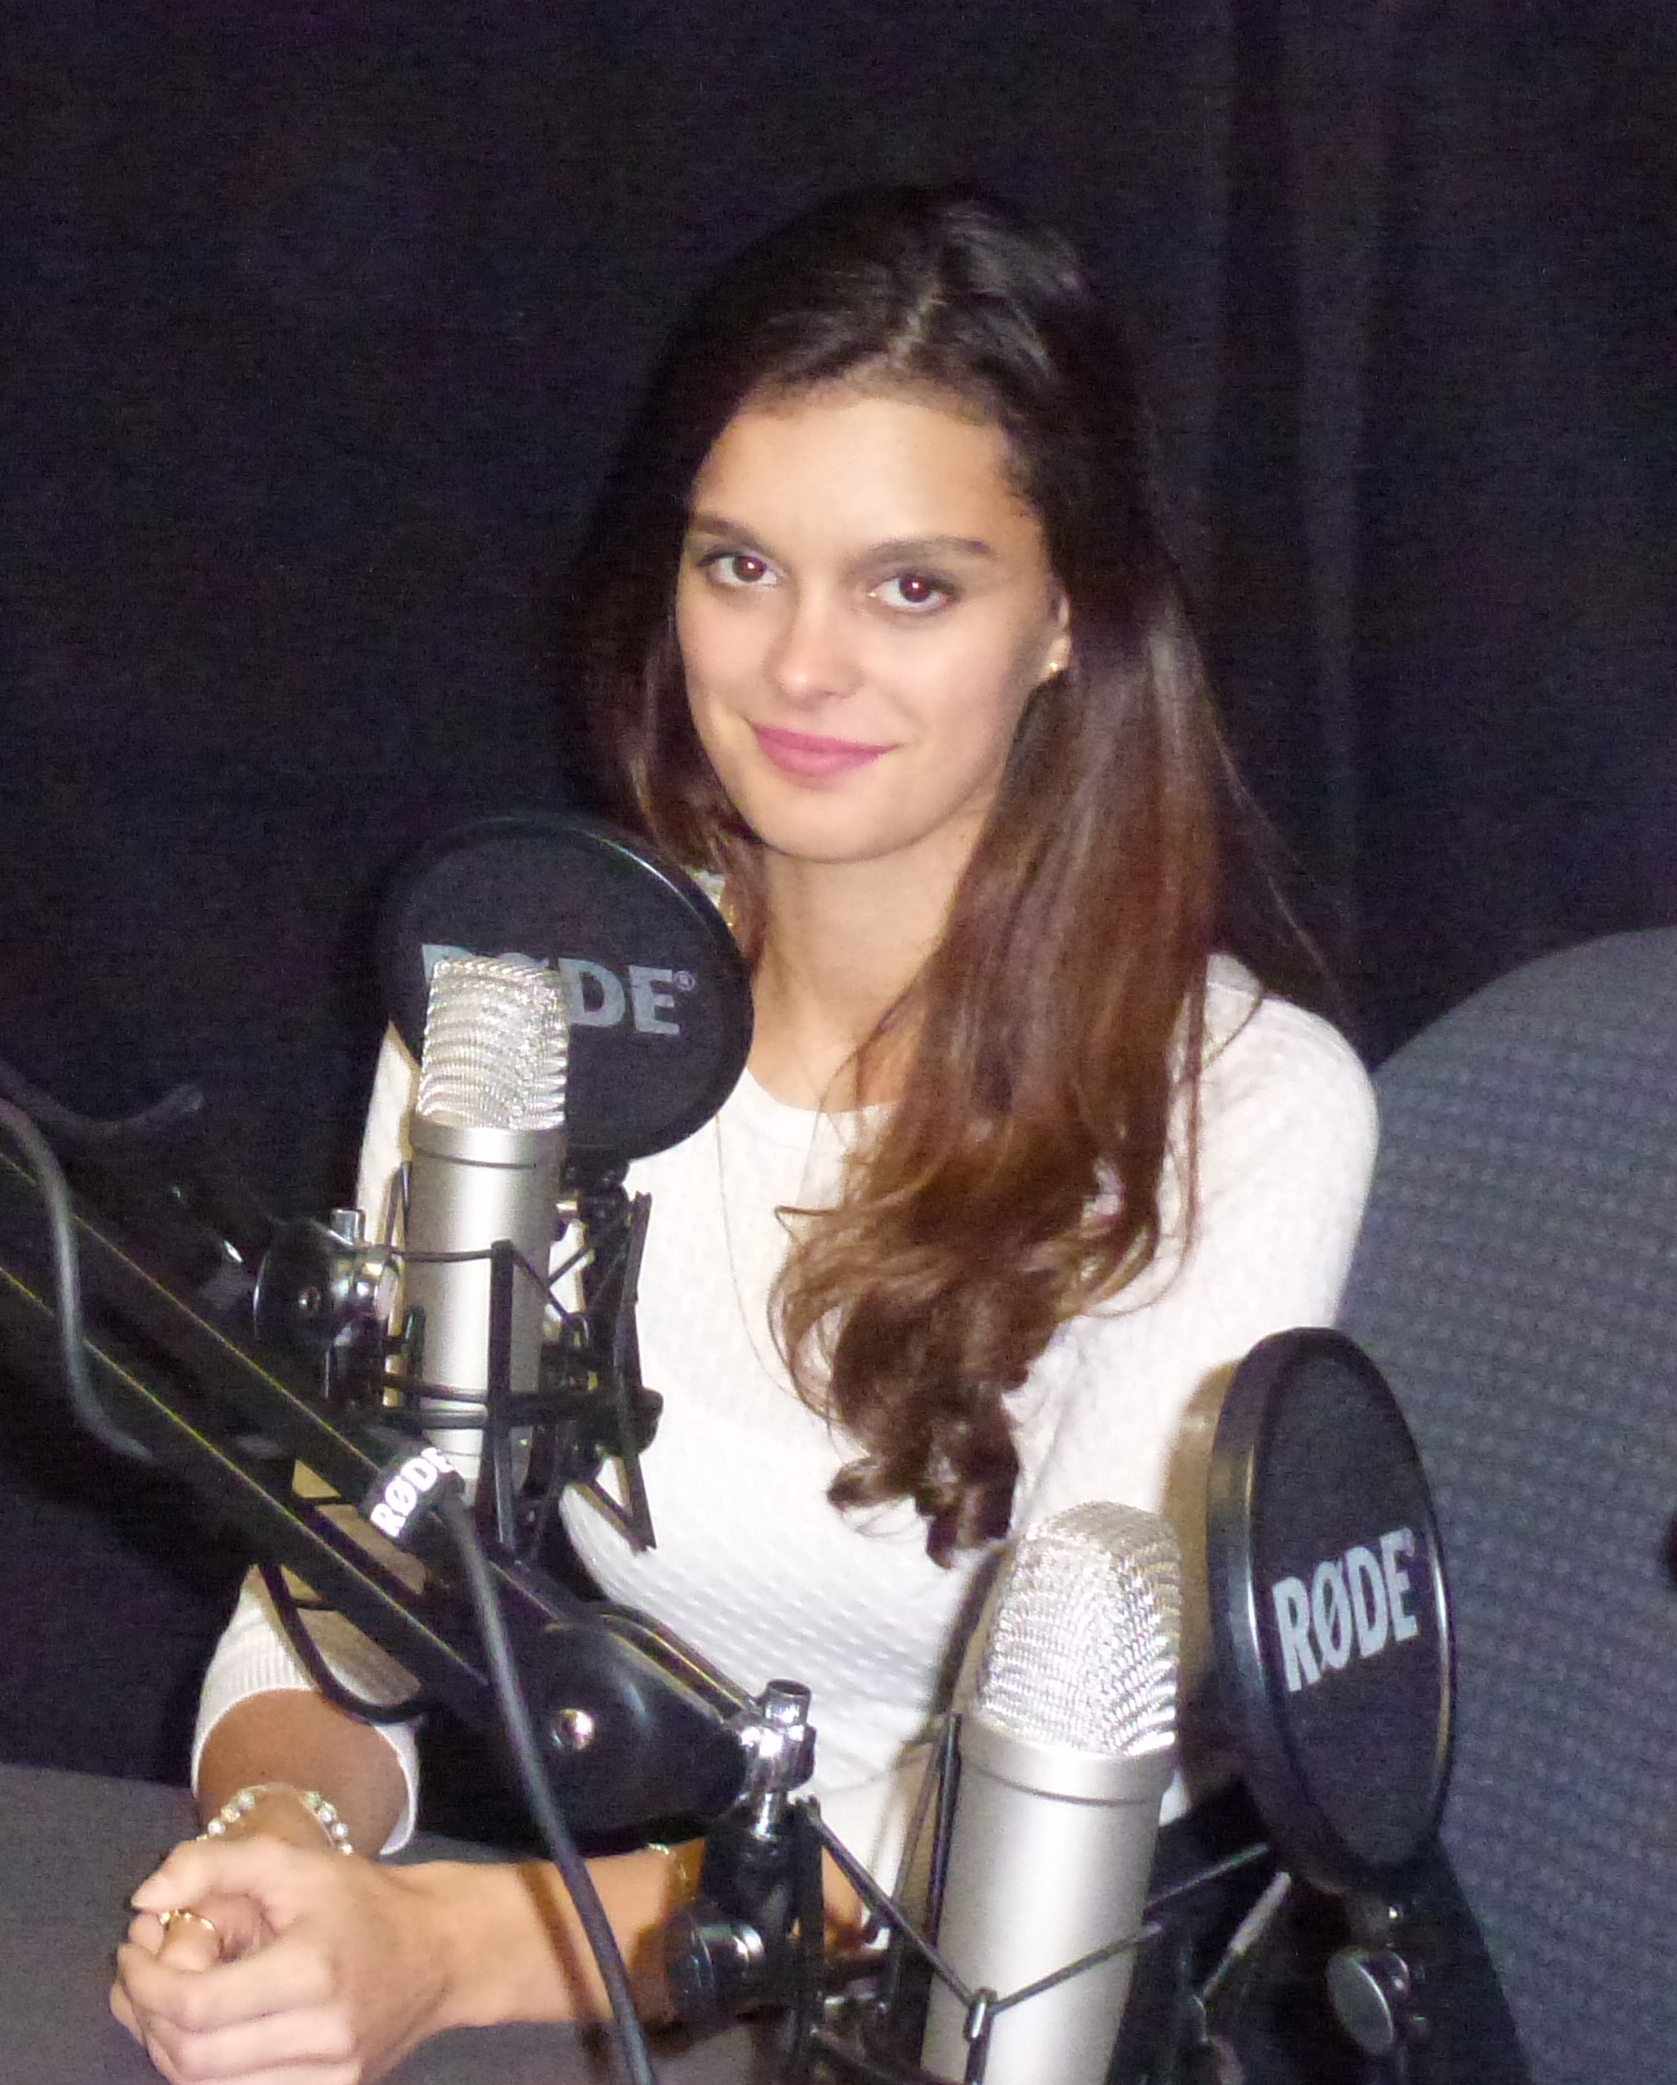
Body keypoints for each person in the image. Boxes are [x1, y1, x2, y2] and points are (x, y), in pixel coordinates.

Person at [114, 186, 1378, 2084]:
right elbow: (344, 1592)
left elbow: (1038, 1811)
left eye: (911, 587)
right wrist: (280, 1857)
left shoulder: (1248, 1115)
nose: (798, 671)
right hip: (646, 1987)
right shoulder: (516, 1009)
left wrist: (472, 1944)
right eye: (739, 567)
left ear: (1066, 624)